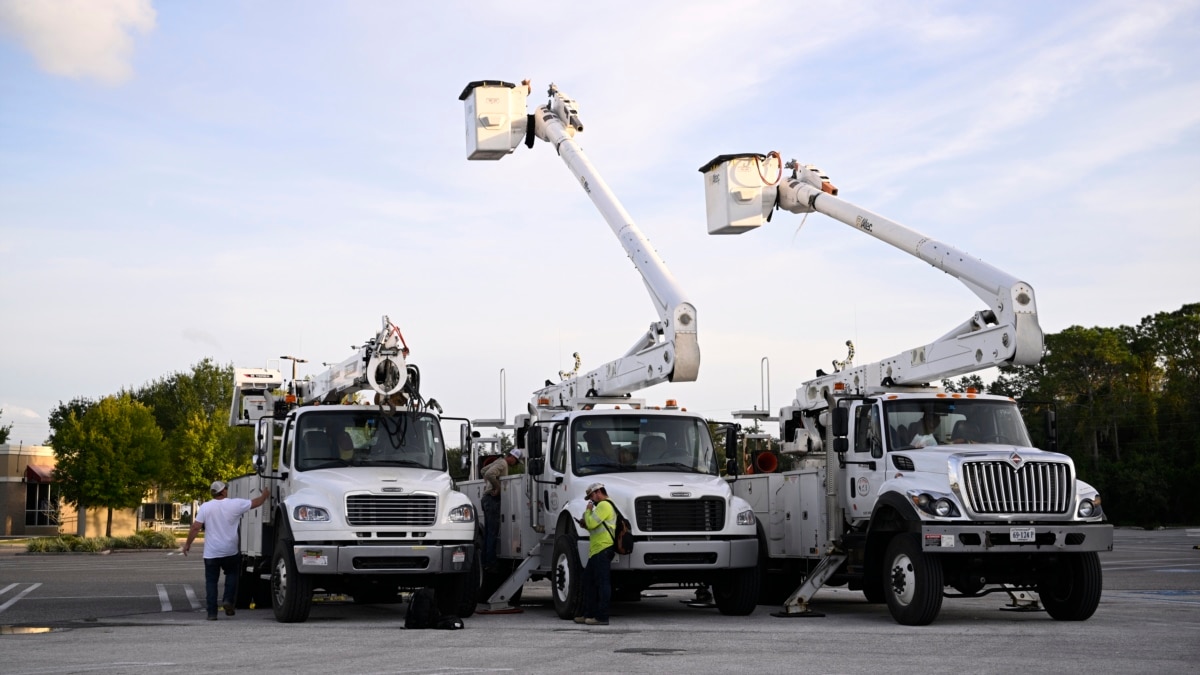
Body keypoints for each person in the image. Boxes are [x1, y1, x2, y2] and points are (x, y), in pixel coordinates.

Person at [183, 480, 270, 620]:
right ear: (222, 491)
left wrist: (187, 544)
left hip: (211, 553)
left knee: (211, 582)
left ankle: (212, 613)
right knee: (232, 576)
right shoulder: (234, 504)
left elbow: (195, 527)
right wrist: (265, 495)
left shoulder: (205, 507)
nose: (227, 490)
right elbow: (256, 503)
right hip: (230, 551)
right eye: (226, 489)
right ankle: (228, 600)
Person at [576, 482, 616, 626]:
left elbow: (592, 524)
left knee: (602, 583)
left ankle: (602, 617)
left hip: (603, 549)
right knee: (589, 581)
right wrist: (585, 522)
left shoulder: (605, 505)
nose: (591, 501)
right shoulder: (601, 507)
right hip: (596, 550)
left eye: (592, 496)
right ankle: (589, 614)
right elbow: (594, 527)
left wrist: (588, 511)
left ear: (599, 492)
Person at [481, 449, 522, 570]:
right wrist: (497, 487)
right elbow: (489, 474)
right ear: (513, 457)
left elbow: (483, 470)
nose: (515, 464)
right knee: (493, 533)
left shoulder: (498, 461)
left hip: (486, 499)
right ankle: (491, 562)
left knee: (488, 533)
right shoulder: (503, 464)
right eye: (516, 461)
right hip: (492, 500)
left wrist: (488, 485)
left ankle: (485, 561)